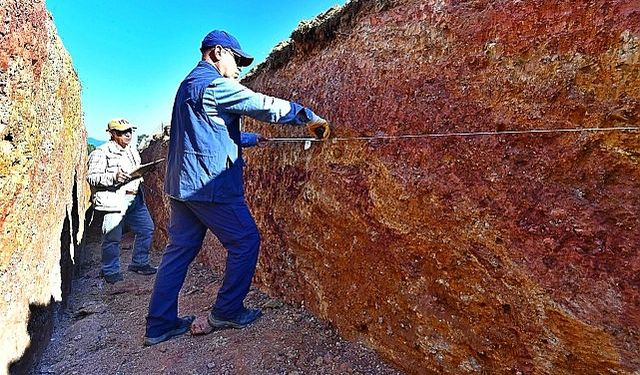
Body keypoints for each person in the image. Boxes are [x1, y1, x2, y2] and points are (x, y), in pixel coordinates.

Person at [143, 30, 330, 346]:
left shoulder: (188, 85)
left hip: (181, 186)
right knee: (246, 241)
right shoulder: (215, 85)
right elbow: (262, 104)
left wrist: (250, 139)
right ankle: (227, 311)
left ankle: (159, 325)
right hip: (208, 186)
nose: (240, 68)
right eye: (237, 59)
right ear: (217, 52)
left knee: (178, 252)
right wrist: (307, 117)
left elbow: (203, 133)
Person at [87, 119, 157, 284]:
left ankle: (140, 263)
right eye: (122, 132)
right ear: (112, 134)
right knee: (112, 237)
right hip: (114, 200)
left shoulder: (132, 150)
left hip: (135, 199)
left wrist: (147, 170)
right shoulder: (100, 152)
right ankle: (109, 270)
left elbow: (135, 171)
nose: (128, 135)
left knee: (146, 229)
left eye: (130, 131)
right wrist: (113, 177)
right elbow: (91, 177)